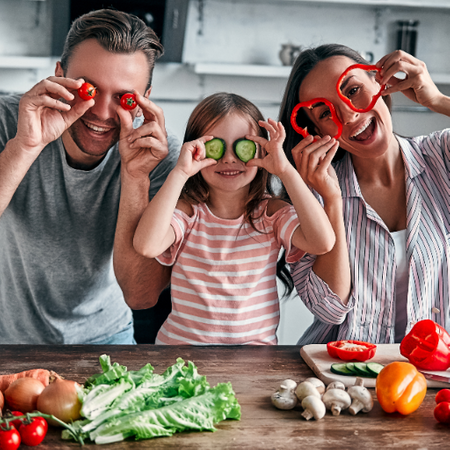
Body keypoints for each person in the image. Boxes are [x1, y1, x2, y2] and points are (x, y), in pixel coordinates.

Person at [0, 9, 179, 344]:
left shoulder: (160, 156)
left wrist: (135, 176)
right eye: (88, 90)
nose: (101, 112)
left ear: (144, 101)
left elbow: (141, 295)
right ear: (58, 75)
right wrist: (25, 147)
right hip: (8, 339)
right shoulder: (10, 121)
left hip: (107, 339)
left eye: (124, 98)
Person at [279, 43, 450, 345]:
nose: (347, 115)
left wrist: (437, 101)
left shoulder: (441, 157)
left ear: (379, 82)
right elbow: (328, 309)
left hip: (430, 372)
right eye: (325, 112)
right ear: (316, 131)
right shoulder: (310, 198)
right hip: (340, 375)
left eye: (353, 90)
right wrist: (332, 201)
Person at [132, 92, 336, 345]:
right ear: (195, 149)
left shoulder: (270, 214)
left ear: (261, 150)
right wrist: (180, 172)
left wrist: (285, 170)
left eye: (242, 146)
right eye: (215, 147)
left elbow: (322, 242)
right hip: (180, 355)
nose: (229, 158)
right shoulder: (188, 213)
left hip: (253, 360)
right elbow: (146, 245)